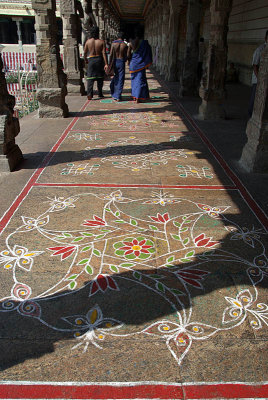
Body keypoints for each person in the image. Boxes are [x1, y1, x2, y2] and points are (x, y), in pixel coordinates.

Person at [127, 26, 152, 103]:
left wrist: (129, 61)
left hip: (134, 63)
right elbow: (149, 52)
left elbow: (128, 55)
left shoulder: (131, 42)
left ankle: (135, 95)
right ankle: (139, 96)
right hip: (141, 64)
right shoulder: (145, 43)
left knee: (134, 80)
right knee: (140, 80)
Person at [84, 26, 108, 100]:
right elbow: (104, 53)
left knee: (90, 77)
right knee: (100, 78)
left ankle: (89, 94)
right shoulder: (101, 42)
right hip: (99, 59)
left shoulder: (88, 42)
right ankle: (100, 93)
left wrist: (85, 60)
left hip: (91, 59)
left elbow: (85, 53)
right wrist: (106, 63)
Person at [248, 30, 268, 117]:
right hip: (258, 79)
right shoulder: (260, 50)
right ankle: (251, 115)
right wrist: (259, 79)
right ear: (265, 38)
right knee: (255, 98)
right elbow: (255, 66)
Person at [109, 31, 128, 101]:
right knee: (120, 79)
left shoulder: (113, 44)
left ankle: (114, 92)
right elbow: (126, 55)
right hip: (121, 61)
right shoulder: (124, 45)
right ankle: (118, 95)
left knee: (116, 76)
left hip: (115, 60)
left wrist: (109, 64)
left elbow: (111, 55)